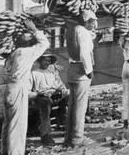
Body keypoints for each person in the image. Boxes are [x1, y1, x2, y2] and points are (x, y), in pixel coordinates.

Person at [1, 20, 49, 155]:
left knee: (8, 121)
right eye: (27, 35)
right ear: (21, 41)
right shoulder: (26, 52)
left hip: (9, 88)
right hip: (19, 87)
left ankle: (5, 151)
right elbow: (45, 43)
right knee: (18, 122)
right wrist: (34, 29)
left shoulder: (13, 54)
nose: (30, 37)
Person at [64, 10, 97, 147]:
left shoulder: (72, 30)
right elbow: (84, 53)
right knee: (80, 106)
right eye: (92, 22)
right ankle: (77, 138)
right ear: (86, 21)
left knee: (72, 105)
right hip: (81, 70)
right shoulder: (82, 31)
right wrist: (89, 71)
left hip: (71, 70)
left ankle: (68, 138)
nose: (94, 25)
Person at [29, 53, 69, 145]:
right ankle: (45, 135)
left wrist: (63, 90)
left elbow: (59, 85)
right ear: (40, 61)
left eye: (49, 61)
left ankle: (64, 124)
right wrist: (38, 94)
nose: (47, 63)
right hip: (40, 97)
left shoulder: (51, 73)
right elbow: (28, 92)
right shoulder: (34, 73)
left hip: (53, 94)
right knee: (45, 104)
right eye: (45, 60)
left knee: (69, 97)